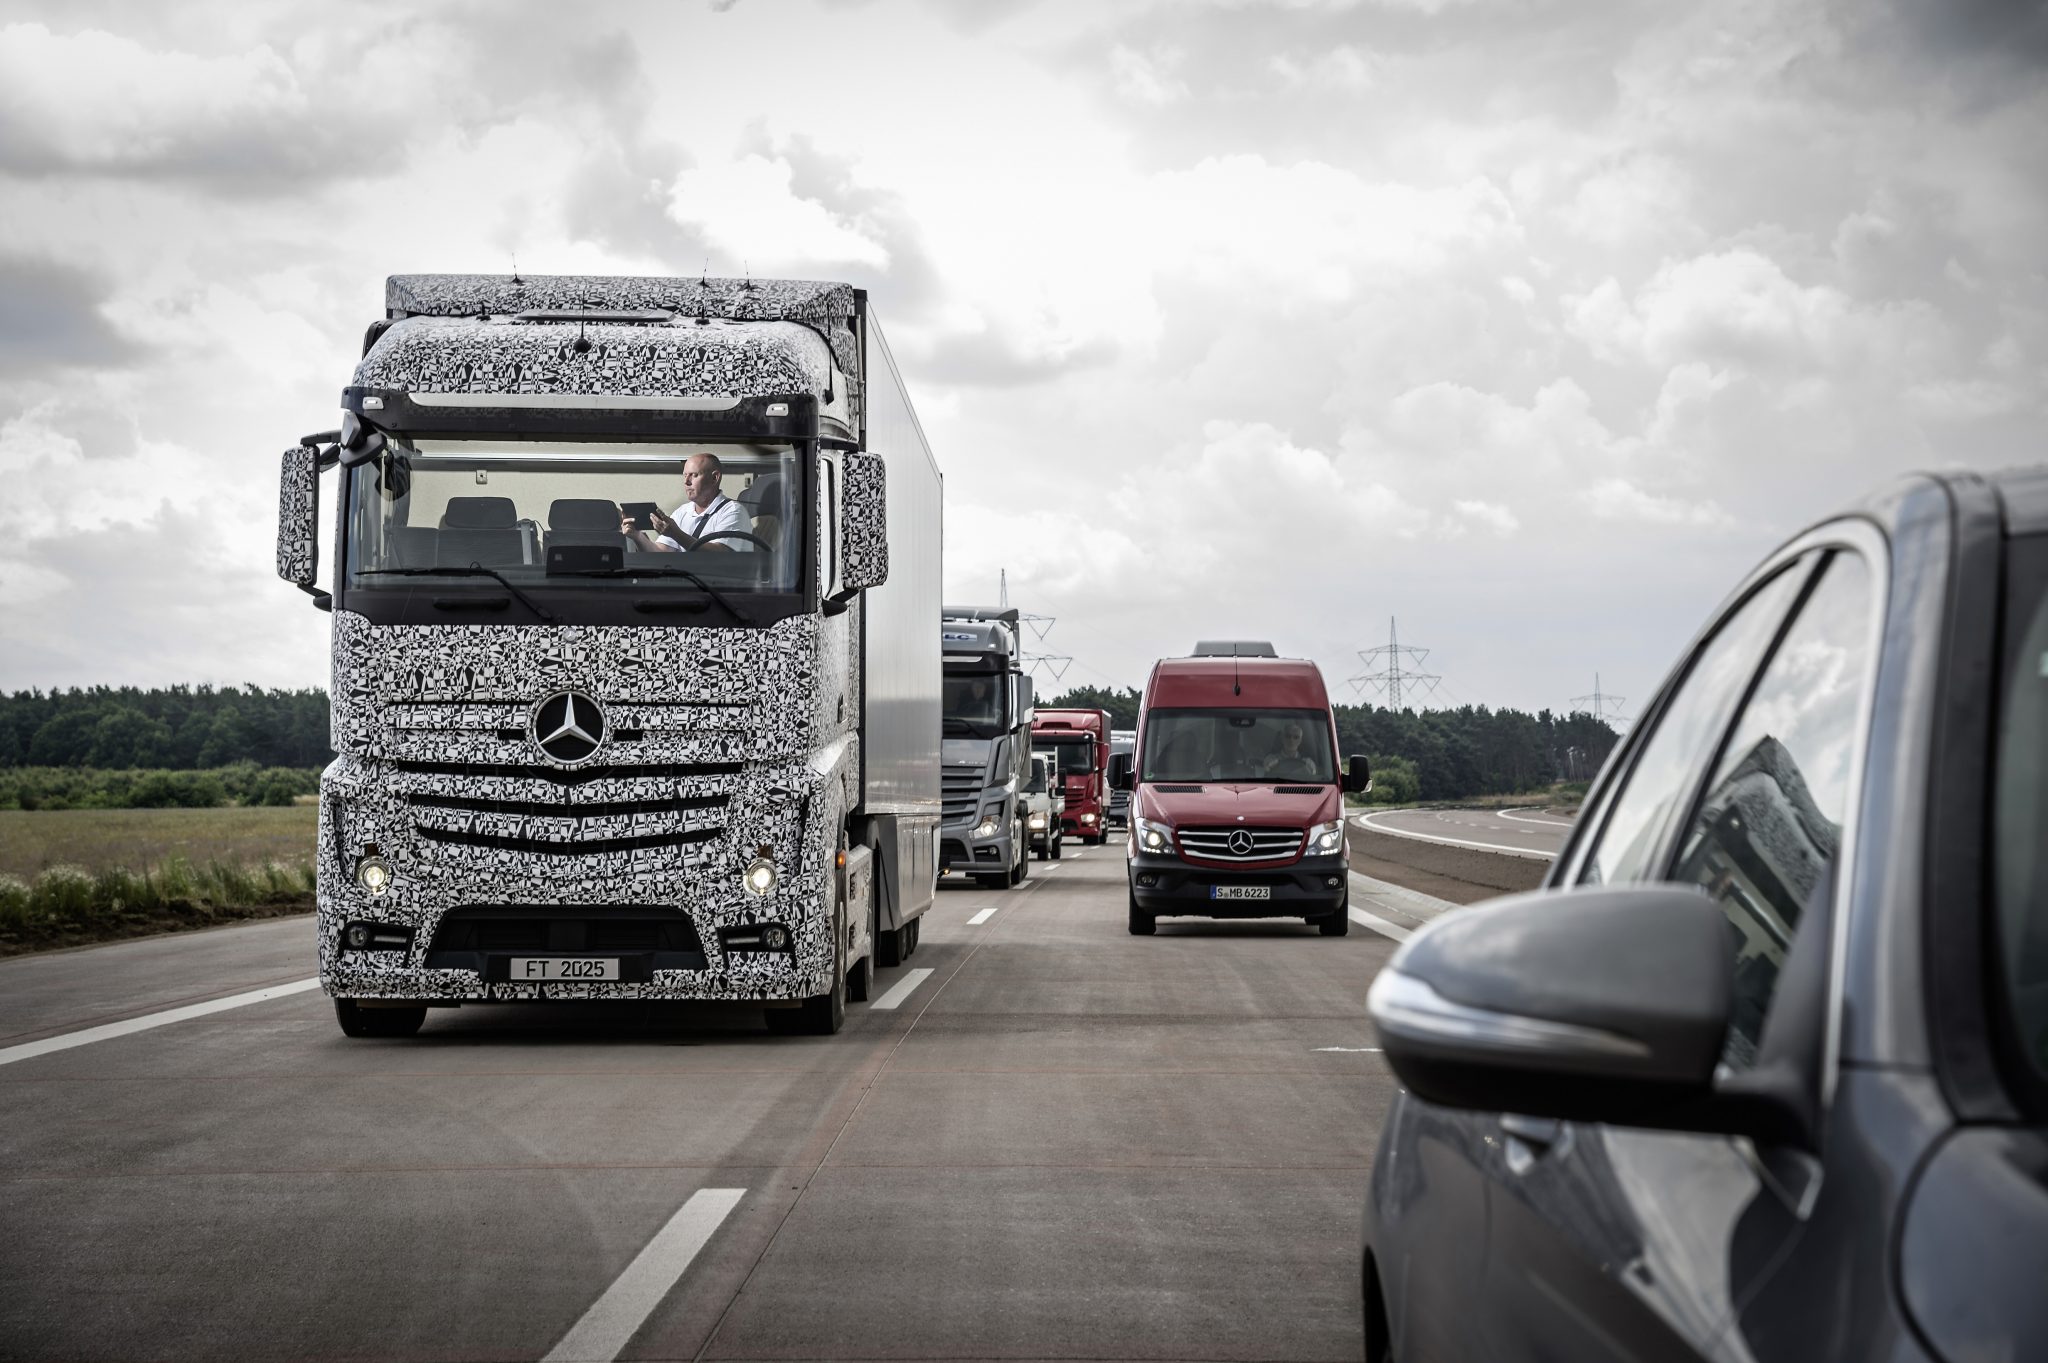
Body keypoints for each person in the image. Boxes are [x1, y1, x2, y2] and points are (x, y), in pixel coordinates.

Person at [625, 452, 754, 553]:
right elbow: (660, 553)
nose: (686, 481)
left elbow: (719, 555)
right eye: (684, 475)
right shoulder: (682, 512)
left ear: (715, 478)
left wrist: (675, 533)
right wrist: (637, 536)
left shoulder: (733, 511)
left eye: (694, 475)